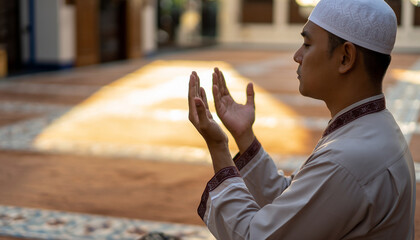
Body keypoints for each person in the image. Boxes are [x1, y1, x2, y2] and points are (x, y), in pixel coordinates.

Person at [187, 0, 416, 239]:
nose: (297, 56)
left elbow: (254, 235)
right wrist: (245, 136)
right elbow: (295, 203)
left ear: (345, 57)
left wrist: (218, 147)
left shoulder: (348, 160)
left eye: (307, 44)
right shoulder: (374, 128)